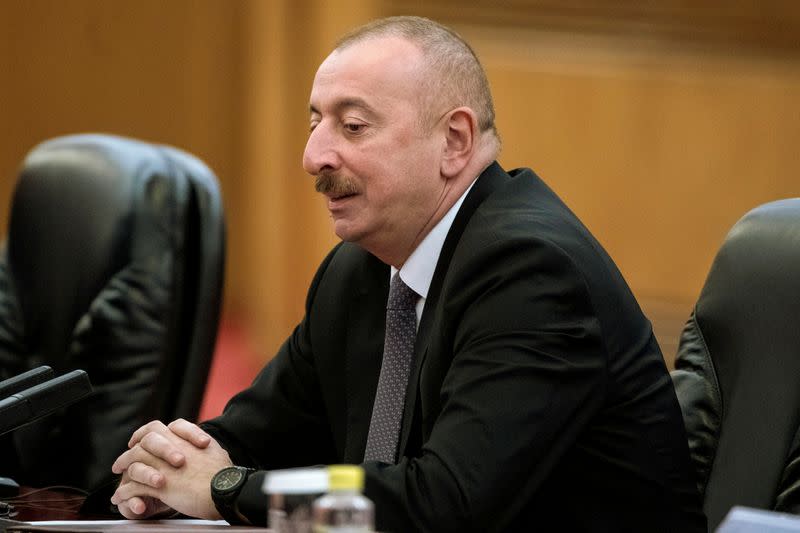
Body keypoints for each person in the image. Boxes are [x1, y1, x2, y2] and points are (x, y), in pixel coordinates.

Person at [110, 16, 706, 532]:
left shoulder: (530, 273)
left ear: (453, 140)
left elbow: (444, 504)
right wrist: (169, 468)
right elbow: (256, 437)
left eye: (353, 125)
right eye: (315, 121)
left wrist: (225, 491)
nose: (313, 156)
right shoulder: (360, 272)